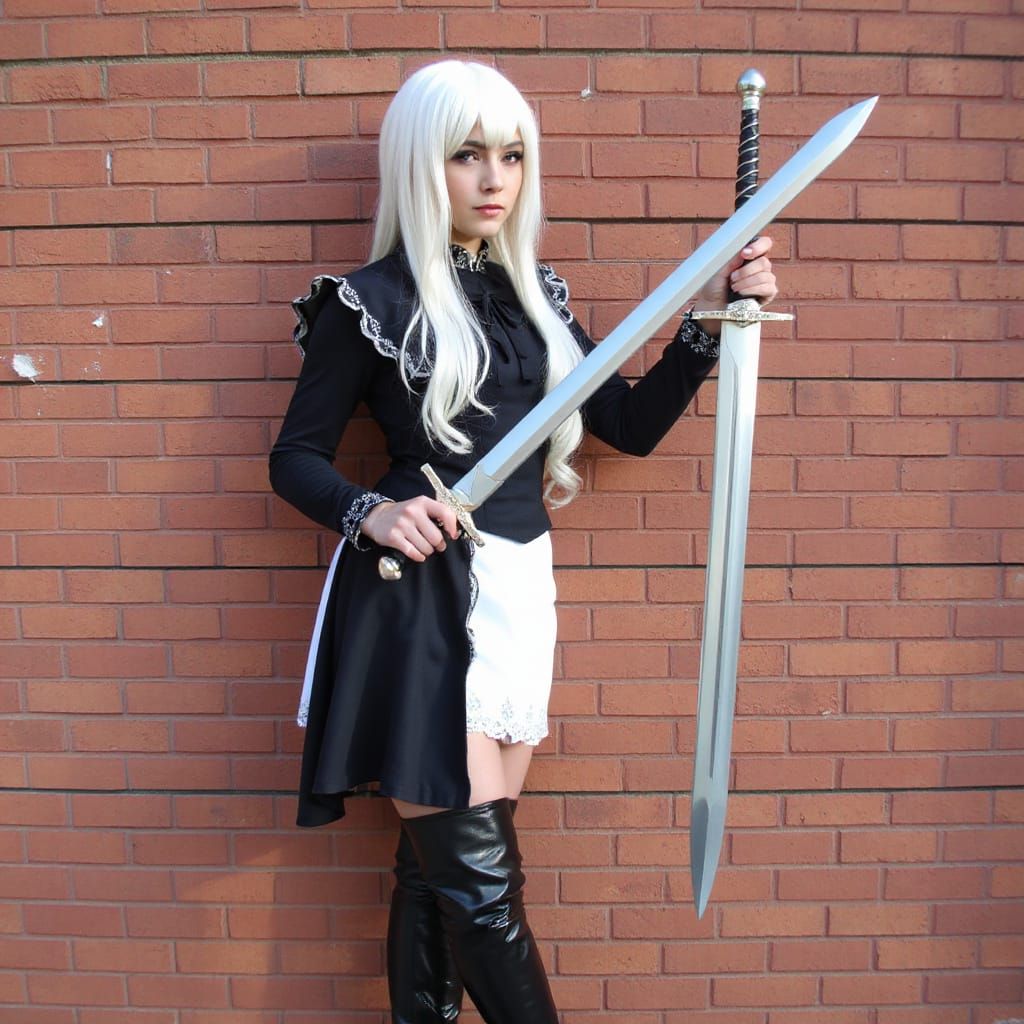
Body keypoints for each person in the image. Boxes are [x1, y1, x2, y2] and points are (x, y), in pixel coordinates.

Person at [269, 59, 777, 1024]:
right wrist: (368, 511)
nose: (493, 178)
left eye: (509, 154)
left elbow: (623, 425)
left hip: (517, 587)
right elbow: (295, 458)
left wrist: (711, 327)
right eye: (466, 155)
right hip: (419, 600)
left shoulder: (534, 296)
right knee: (481, 886)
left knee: (442, 874)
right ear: (422, 165)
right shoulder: (364, 302)